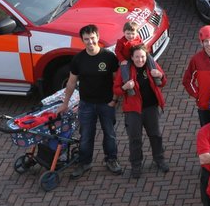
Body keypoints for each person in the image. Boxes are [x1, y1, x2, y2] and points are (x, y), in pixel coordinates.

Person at [59, 24, 122, 178]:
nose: (90, 42)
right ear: (82, 40)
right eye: (86, 39)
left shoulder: (109, 57)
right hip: (86, 104)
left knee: (110, 133)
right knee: (86, 135)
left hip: (106, 103)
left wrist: (114, 100)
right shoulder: (78, 59)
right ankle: (85, 163)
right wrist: (65, 103)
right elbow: (71, 83)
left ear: (98, 37)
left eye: (92, 38)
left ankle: (111, 159)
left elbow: (117, 81)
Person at [114, 44, 168, 179]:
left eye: (143, 56)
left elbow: (162, 82)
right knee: (135, 139)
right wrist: (125, 87)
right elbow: (116, 89)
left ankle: (159, 159)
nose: (140, 60)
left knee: (155, 135)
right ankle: (136, 165)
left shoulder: (151, 65)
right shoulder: (125, 69)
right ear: (132, 57)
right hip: (133, 110)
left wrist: (160, 75)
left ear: (147, 56)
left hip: (151, 108)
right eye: (137, 57)